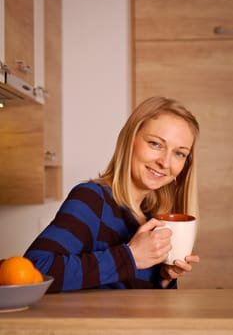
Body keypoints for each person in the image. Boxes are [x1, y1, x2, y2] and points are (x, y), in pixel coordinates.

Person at [24, 96, 200, 292]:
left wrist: (164, 277)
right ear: (129, 140)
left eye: (179, 153)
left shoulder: (150, 216)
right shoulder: (92, 200)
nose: (165, 163)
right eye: (155, 144)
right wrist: (130, 256)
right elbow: (34, 270)